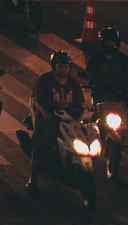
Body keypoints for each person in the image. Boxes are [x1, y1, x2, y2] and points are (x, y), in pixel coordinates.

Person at [25, 51, 87, 191]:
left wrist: (81, 116)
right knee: (39, 143)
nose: (63, 69)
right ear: (54, 66)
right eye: (60, 65)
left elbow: (81, 103)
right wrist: (46, 114)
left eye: (66, 66)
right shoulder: (44, 80)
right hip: (48, 117)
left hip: (68, 118)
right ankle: (33, 178)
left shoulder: (73, 83)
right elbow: (38, 101)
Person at [83, 25, 126, 104]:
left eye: (112, 41)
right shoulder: (95, 59)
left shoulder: (123, 60)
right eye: (107, 41)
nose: (109, 44)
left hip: (120, 99)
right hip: (101, 99)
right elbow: (89, 76)